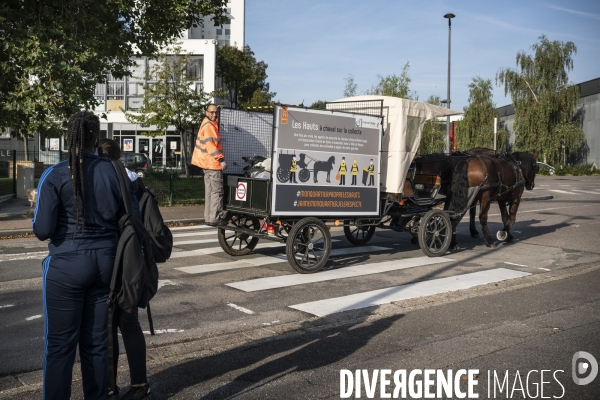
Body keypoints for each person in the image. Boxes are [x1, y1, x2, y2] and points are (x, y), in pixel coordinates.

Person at [33, 111, 136, 399]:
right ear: (95, 137)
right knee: (97, 345)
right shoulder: (115, 172)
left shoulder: (54, 175)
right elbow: (130, 218)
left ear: (69, 137)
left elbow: (42, 230)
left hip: (66, 265)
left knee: (59, 348)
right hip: (107, 265)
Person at [98, 139, 150, 400]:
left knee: (109, 325)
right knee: (130, 322)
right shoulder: (133, 180)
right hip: (133, 257)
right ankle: (140, 385)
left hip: (113, 257)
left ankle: (110, 387)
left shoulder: (103, 179)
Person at [191, 104, 227, 226]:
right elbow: (212, 146)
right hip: (213, 164)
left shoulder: (205, 123)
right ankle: (215, 217)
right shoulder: (210, 126)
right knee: (217, 192)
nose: (214, 114)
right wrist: (221, 159)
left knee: (210, 191)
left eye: (216, 112)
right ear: (206, 112)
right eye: (211, 112)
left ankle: (209, 217)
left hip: (206, 164)